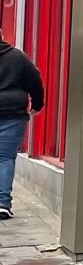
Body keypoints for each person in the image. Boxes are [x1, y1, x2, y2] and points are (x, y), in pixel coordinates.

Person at [0, 28, 45, 221]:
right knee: (5, 158)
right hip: (13, 113)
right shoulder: (19, 57)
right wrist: (37, 104)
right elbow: (35, 81)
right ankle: (2, 203)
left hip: (13, 113)